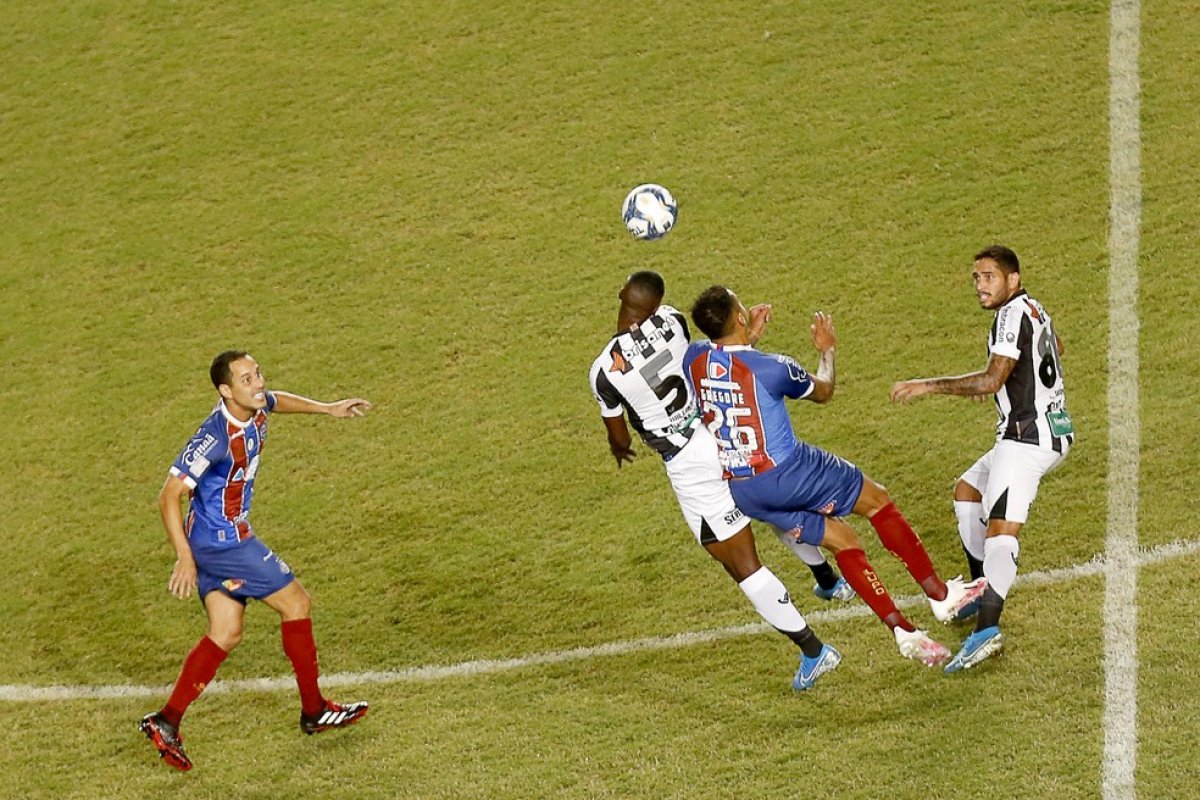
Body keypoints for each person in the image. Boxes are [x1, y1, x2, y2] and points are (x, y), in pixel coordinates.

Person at [685, 286, 987, 667]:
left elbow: (727, 362)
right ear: (741, 317)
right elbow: (824, 390)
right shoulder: (773, 367)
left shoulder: (694, 358)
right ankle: (942, 597)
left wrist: (748, 337)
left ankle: (903, 631)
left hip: (746, 491)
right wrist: (826, 349)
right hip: (791, 472)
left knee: (842, 541)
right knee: (876, 500)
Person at [589, 271, 846, 691]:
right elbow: (708, 367)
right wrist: (749, 343)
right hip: (720, 435)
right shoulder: (673, 322)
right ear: (656, 305)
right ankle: (828, 580)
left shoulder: (603, 371)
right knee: (764, 504)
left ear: (621, 296)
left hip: (690, 465)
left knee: (740, 564)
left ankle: (814, 651)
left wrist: (621, 448)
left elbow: (618, 435)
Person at [139, 351, 372, 771]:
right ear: (225, 391)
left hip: (214, 539)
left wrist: (327, 408)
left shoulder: (257, 405)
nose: (258, 383)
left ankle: (166, 720)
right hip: (223, 543)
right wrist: (184, 558)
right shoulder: (214, 436)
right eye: (246, 380)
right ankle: (314, 709)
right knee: (296, 603)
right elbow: (168, 494)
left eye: (258, 374)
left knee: (225, 632)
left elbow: (277, 399)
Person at [891, 245, 1073, 672]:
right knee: (967, 493)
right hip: (1046, 428)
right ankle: (979, 590)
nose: (980, 285)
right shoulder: (1032, 307)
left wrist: (927, 386)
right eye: (976, 277)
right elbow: (1056, 347)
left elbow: (992, 380)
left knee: (1000, 529)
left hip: (1027, 439)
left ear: (1012, 279)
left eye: (989, 276)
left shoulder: (1010, 316)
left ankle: (987, 629)